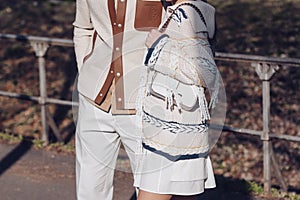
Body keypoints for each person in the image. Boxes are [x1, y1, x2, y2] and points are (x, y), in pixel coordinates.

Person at [72, 0, 164, 199]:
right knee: (90, 187)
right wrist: (86, 70)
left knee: (152, 186)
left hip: (145, 102)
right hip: (94, 98)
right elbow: (82, 28)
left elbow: (186, 31)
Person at [134, 0, 219, 199]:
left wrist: (158, 48)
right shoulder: (185, 11)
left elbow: (203, 72)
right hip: (177, 126)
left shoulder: (186, 14)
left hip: (170, 131)